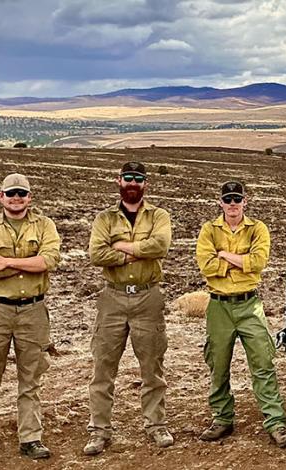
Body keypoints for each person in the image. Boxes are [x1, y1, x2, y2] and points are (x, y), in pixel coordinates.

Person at [0, 174, 61, 462]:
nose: (16, 198)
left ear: (30, 197)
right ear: (0, 197)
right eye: (11, 193)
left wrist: (7, 261)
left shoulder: (45, 225)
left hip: (33, 310)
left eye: (22, 193)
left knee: (31, 379)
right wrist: (29, 265)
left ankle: (31, 438)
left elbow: (49, 261)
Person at [83, 162, 174, 455]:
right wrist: (131, 256)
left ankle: (156, 425)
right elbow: (96, 254)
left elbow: (160, 245)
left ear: (145, 184)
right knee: (103, 367)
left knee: (152, 366)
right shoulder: (104, 218)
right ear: (118, 181)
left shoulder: (159, 215)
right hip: (113, 298)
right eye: (128, 178)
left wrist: (123, 247)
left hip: (149, 298)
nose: (132, 183)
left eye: (138, 178)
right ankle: (99, 430)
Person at [194, 181, 286, 448]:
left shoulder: (258, 228)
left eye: (237, 198)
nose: (233, 203)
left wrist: (224, 254)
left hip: (250, 305)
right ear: (220, 202)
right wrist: (240, 261)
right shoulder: (209, 230)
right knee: (218, 365)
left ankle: (276, 422)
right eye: (228, 199)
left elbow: (258, 263)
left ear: (245, 201)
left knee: (263, 363)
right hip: (218, 306)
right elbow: (206, 265)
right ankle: (222, 419)